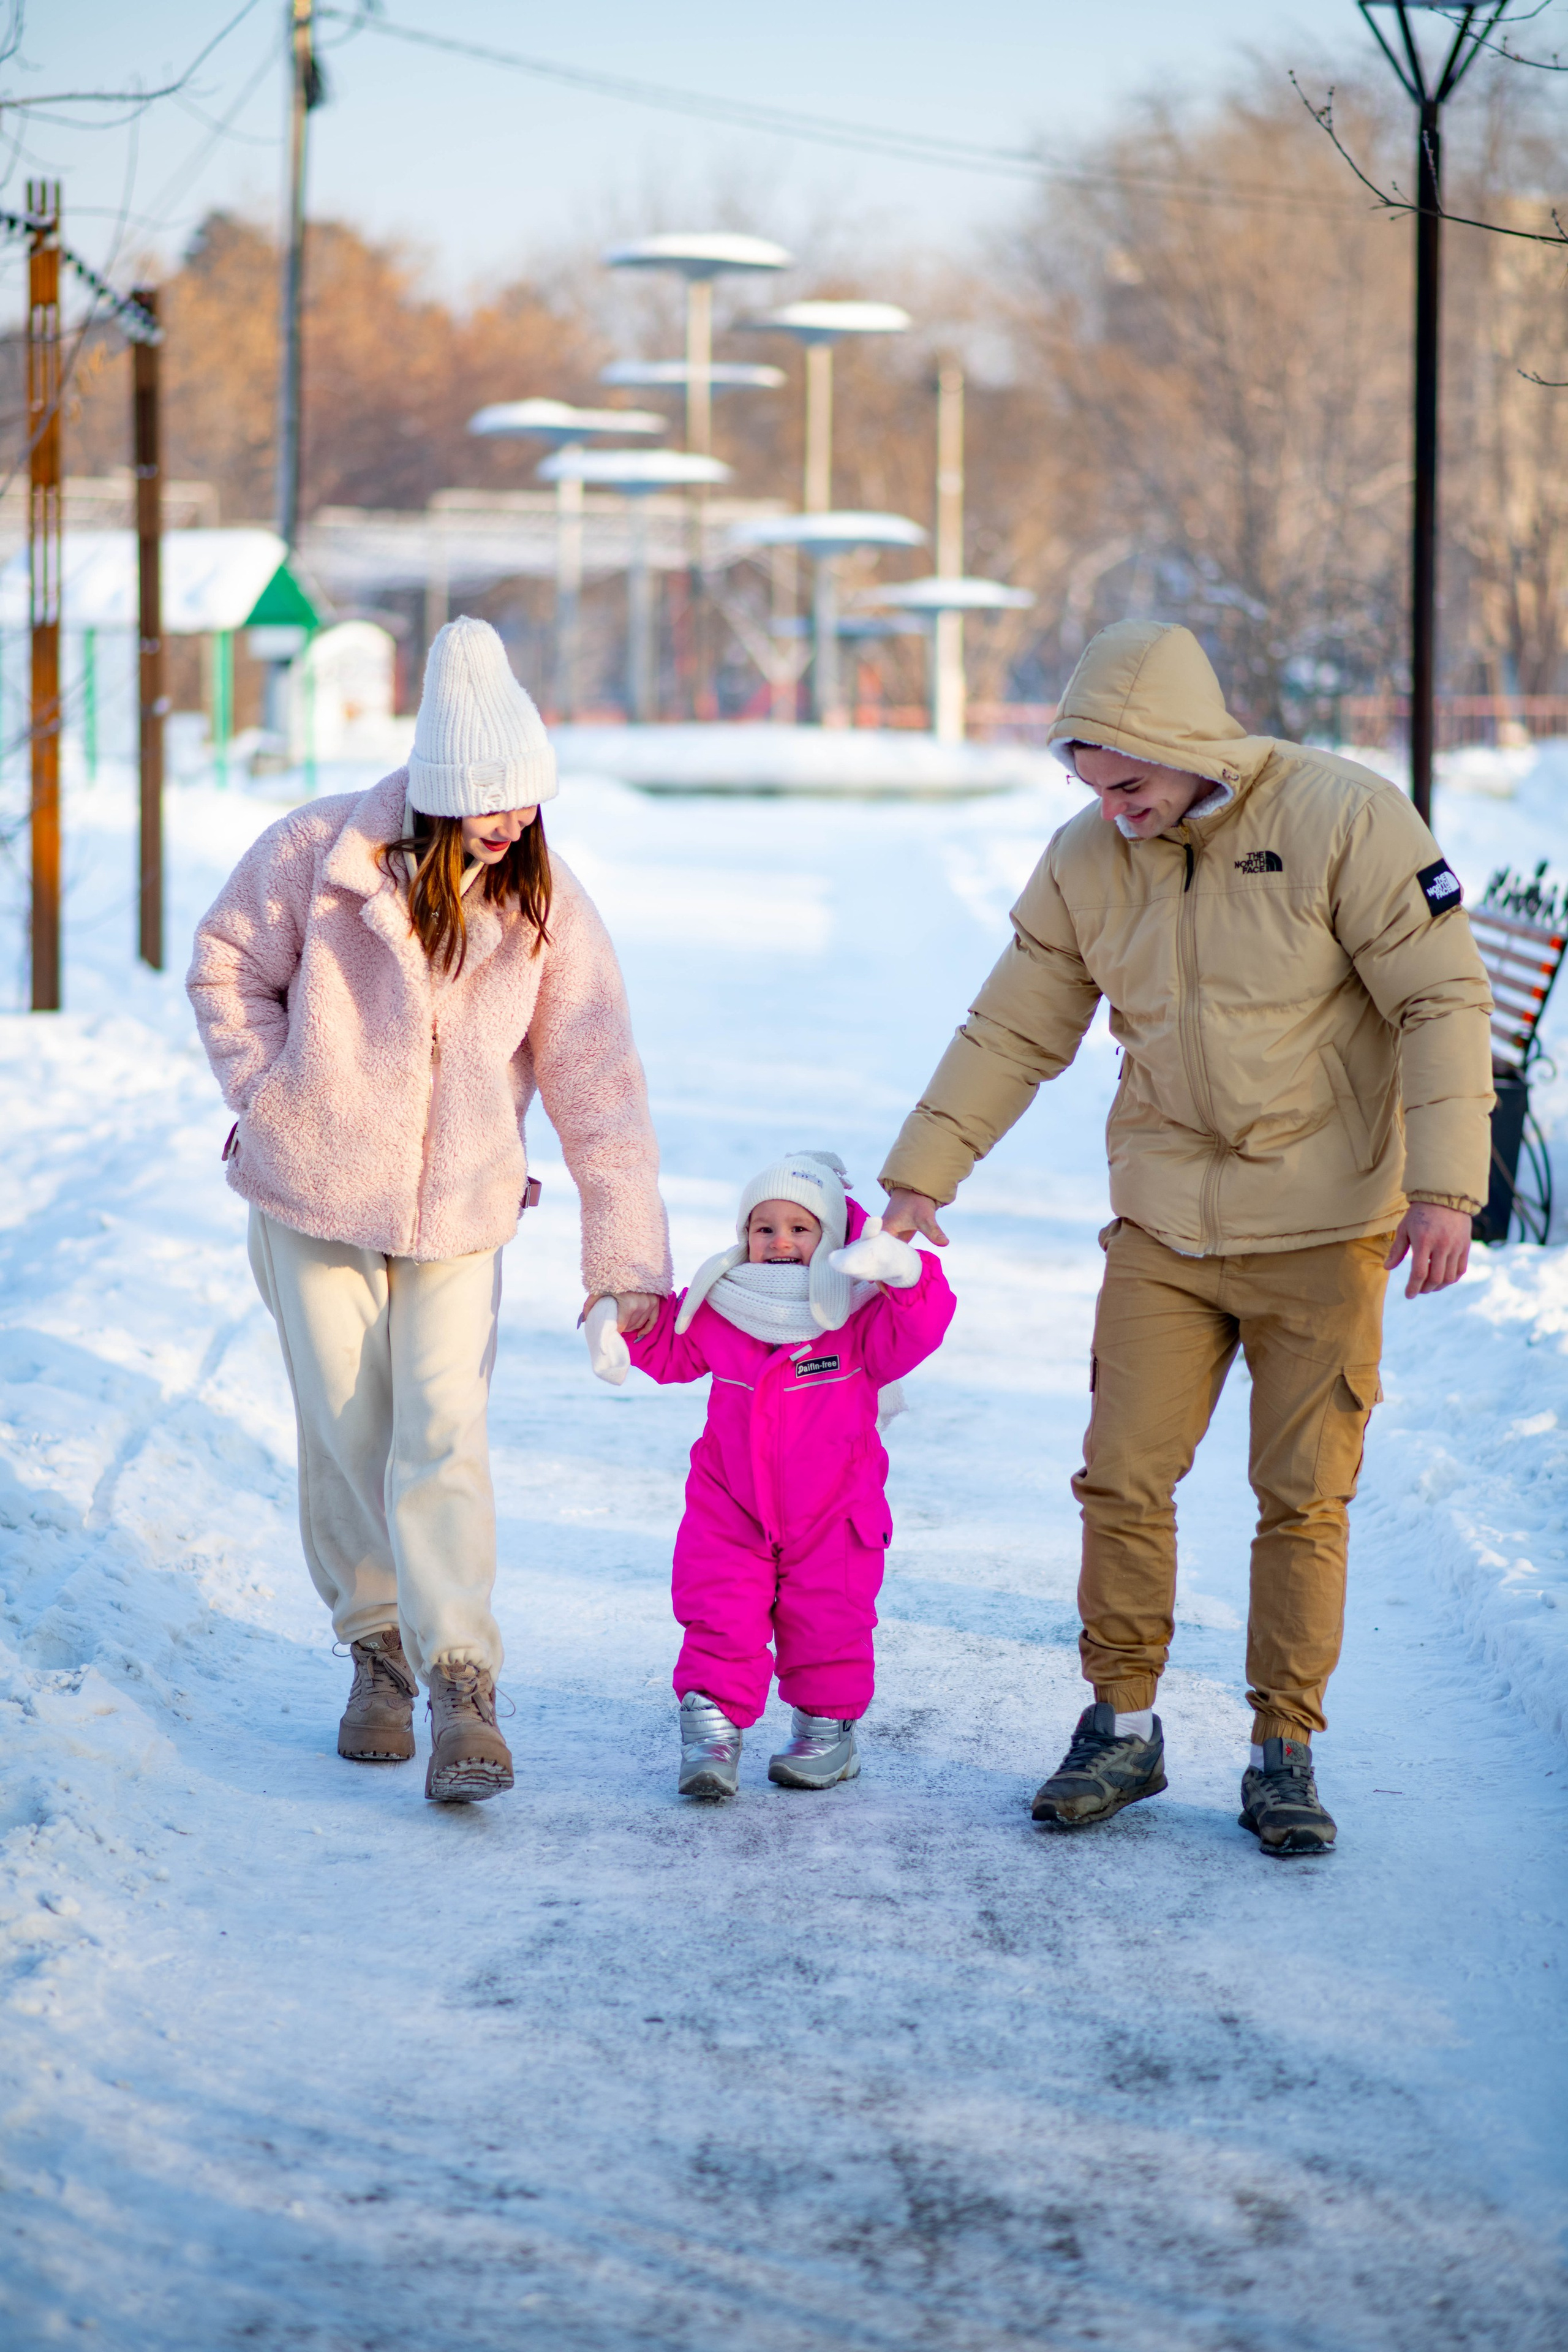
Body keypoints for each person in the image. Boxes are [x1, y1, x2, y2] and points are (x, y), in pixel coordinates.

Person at [878, 620, 1492, 1857]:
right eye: (1087, 785)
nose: (1109, 808)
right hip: (1162, 1222)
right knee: (1121, 1478)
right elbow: (1010, 1031)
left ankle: (1281, 1749)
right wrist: (920, 1179)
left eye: (1127, 782)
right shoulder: (1086, 863)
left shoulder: (1343, 818)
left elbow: (1437, 996)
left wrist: (1444, 1187)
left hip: (1323, 1227)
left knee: (1300, 1498)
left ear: (1183, 749)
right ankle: (1119, 1726)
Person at [187, 616, 669, 1804]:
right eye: (489, 805)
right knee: (347, 1425)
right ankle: (378, 1652)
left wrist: (626, 1259)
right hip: (310, 1197)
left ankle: (462, 1678)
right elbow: (224, 967)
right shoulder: (314, 855)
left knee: (441, 1429)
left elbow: (598, 1086)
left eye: (527, 803)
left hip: (460, 1212)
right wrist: (272, 1095)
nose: (512, 825)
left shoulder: (546, 909)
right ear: (435, 794)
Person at [584, 1152, 955, 1797]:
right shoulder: (723, 1307)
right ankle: (711, 1733)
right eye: (764, 1228)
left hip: (835, 1513)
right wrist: (620, 1320)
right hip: (730, 1508)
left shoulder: (858, 1317)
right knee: (719, 1614)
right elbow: (671, 1349)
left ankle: (826, 1732)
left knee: (829, 1622)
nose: (780, 1240)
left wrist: (902, 1270)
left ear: (830, 1239)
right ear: (744, 1237)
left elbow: (919, 1328)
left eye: (800, 1228)